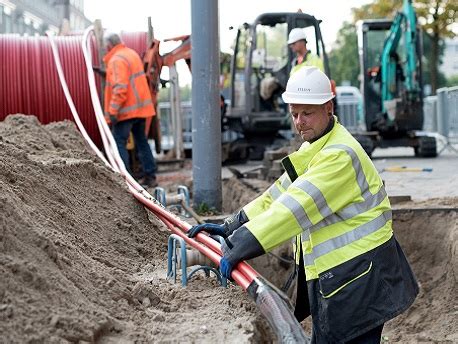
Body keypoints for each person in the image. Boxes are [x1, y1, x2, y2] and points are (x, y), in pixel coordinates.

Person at [189, 67, 418, 343]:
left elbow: (292, 210)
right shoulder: (317, 146)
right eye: (294, 114)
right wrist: (232, 225)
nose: (299, 122)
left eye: (307, 113)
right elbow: (278, 195)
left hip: (362, 280)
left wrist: (238, 246)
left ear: (328, 107)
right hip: (346, 276)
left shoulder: (338, 156)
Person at [103, 32, 157, 188]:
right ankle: (150, 176)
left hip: (126, 111)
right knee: (141, 141)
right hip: (141, 110)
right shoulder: (131, 54)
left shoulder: (116, 60)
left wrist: (113, 111)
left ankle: (125, 180)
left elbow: (120, 87)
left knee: (119, 142)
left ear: (109, 46)